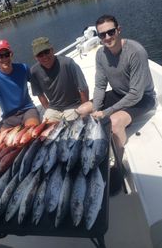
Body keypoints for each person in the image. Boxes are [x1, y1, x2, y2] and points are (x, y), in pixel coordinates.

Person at [76, 14, 156, 194]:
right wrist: (96, 109)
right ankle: (87, 149)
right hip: (119, 93)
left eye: (110, 32)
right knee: (82, 110)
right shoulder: (100, 54)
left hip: (143, 98)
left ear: (118, 30)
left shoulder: (136, 51)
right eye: (102, 34)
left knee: (115, 122)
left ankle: (118, 167)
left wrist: (106, 113)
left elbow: (136, 94)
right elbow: (100, 85)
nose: (107, 37)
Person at [0, 39, 40, 147]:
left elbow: (38, 84)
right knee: (3, 144)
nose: (4, 59)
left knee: (31, 134)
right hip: (9, 117)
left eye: (6, 54)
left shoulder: (23, 68)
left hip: (28, 110)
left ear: (11, 54)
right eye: (0, 56)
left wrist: (49, 104)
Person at [30, 36, 89, 122]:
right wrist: (47, 109)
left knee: (73, 128)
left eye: (46, 52)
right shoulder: (34, 71)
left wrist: (84, 110)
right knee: (46, 131)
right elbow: (40, 94)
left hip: (73, 106)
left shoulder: (68, 63)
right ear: (36, 57)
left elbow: (83, 88)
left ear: (52, 50)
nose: (45, 57)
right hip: (53, 108)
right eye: (40, 55)